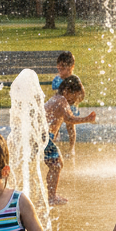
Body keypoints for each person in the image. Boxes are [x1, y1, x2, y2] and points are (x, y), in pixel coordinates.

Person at [44, 75, 96, 205]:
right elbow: (70, 119)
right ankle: (51, 197)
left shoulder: (55, 99)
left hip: (42, 136)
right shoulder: (61, 100)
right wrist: (87, 119)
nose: (75, 102)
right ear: (67, 91)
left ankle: (49, 195)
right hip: (43, 137)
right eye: (75, 97)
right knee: (56, 165)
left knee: (54, 165)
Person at [50, 51, 79, 152]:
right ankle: (52, 143)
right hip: (58, 108)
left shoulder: (74, 80)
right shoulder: (57, 80)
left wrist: (75, 101)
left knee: (70, 126)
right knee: (54, 125)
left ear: (71, 67)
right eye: (59, 67)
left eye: (63, 68)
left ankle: (72, 148)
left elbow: (80, 93)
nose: (60, 70)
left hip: (70, 107)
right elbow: (55, 94)